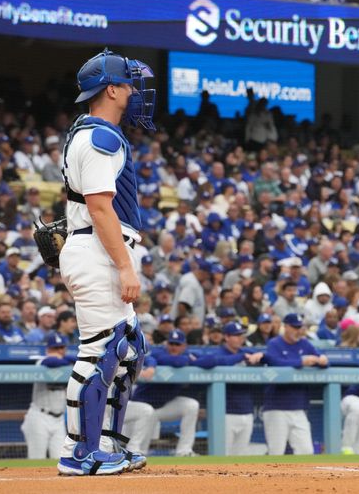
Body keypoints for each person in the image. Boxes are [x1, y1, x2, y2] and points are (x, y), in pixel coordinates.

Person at [57, 49, 155, 476]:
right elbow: (100, 209)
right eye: (130, 85)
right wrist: (125, 267)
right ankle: (80, 453)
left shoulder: (92, 132)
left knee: (129, 349)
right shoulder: (100, 137)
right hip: (99, 250)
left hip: (96, 248)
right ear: (112, 89)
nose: (136, 92)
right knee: (102, 349)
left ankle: (107, 443)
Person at [130, 329, 215, 456]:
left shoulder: (188, 354)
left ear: (184, 346)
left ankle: (184, 451)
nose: (174, 347)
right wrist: (189, 360)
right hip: (143, 405)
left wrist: (190, 359)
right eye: (171, 343)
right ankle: (136, 456)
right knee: (141, 451)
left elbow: (211, 361)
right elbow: (175, 361)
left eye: (177, 344)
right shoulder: (159, 353)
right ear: (166, 344)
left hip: (164, 406)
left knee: (191, 405)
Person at [262, 313, 328, 455]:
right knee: (276, 452)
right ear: (285, 327)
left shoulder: (304, 343)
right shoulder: (274, 343)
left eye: (300, 327)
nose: (298, 330)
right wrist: (300, 362)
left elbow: (322, 361)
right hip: (276, 407)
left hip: (299, 407)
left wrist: (323, 360)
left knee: (306, 451)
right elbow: (274, 362)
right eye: (295, 327)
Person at [208, 321, 265, 456]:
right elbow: (210, 361)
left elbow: (268, 356)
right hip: (225, 413)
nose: (240, 338)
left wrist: (261, 355)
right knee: (222, 455)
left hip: (246, 411)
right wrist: (240, 357)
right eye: (236, 335)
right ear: (226, 337)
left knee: (240, 456)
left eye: (241, 335)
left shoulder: (246, 352)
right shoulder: (220, 352)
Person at [21, 333, 73, 459]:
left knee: (61, 459)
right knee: (36, 459)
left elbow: (78, 359)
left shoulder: (67, 365)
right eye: (55, 348)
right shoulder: (41, 362)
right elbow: (52, 361)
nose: (59, 351)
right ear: (48, 349)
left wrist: (65, 359)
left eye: (62, 348)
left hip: (58, 420)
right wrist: (65, 359)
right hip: (39, 417)